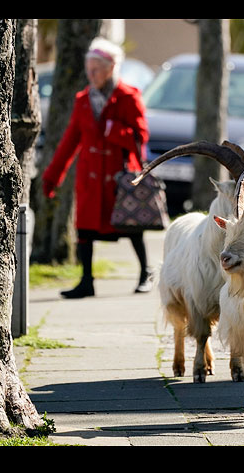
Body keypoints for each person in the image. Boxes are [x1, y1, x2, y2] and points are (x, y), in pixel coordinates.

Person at [42, 37, 152, 298]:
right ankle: (86, 281)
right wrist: (52, 176)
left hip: (119, 178)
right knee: (85, 231)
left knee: (131, 227)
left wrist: (116, 131)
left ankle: (145, 273)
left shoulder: (128, 96)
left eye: (96, 69)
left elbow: (141, 138)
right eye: (88, 69)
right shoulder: (83, 100)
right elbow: (70, 141)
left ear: (111, 68)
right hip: (90, 177)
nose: (90, 75)